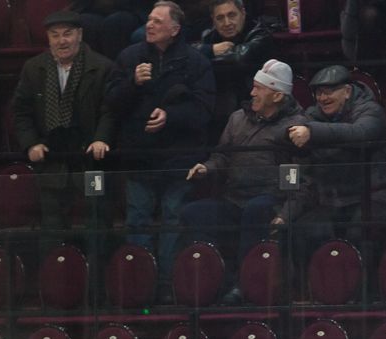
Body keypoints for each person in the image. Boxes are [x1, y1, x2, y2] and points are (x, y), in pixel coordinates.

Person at [108, 1, 214, 284]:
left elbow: (204, 110)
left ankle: (169, 283)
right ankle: (139, 284)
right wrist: (133, 83)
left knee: (173, 222)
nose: (149, 25)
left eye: (157, 21)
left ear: (175, 29)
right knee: (137, 221)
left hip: (178, 159)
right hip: (139, 156)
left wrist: (171, 115)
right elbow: (112, 103)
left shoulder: (196, 62)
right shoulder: (129, 58)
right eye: (149, 20)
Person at [181, 58, 301, 303]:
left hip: (270, 200)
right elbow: (223, 156)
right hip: (234, 199)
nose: (252, 92)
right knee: (193, 213)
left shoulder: (294, 127)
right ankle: (211, 282)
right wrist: (207, 167)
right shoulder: (237, 118)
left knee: (255, 211)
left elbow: (298, 178)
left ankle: (242, 285)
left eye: (259, 88)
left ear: (277, 96)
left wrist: (286, 212)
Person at [280, 65, 386, 272]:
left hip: (376, 194)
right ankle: (319, 293)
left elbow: (361, 133)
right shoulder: (313, 115)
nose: (323, 98)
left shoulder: (370, 109)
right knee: (304, 230)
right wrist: (292, 136)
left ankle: (363, 295)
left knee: (360, 231)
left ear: (347, 91)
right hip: (334, 199)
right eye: (319, 93)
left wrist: (312, 133)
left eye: (329, 91)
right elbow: (290, 133)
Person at [10, 10, 117, 230]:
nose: (62, 40)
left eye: (67, 34)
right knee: (51, 227)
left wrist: (101, 138)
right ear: (48, 38)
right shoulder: (33, 68)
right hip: (51, 160)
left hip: (89, 160)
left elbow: (111, 110)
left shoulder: (102, 67)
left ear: (79, 34)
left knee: (97, 225)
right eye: (55, 35)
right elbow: (21, 111)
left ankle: (96, 264)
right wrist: (31, 143)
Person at [197, 0, 275, 137]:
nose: (227, 23)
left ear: (243, 13)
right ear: (213, 20)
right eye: (220, 18)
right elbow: (187, 56)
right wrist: (210, 50)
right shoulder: (208, 37)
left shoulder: (260, 34)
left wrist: (205, 57)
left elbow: (237, 60)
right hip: (216, 102)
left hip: (251, 103)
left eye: (232, 15)